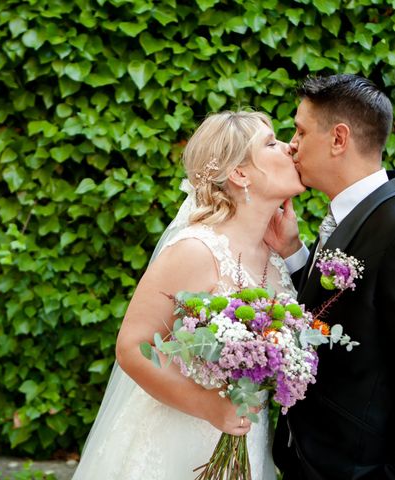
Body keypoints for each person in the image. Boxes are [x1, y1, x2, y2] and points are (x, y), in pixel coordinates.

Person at [73, 110, 305, 479]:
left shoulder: (278, 256)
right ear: (240, 173)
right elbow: (132, 346)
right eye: (270, 143)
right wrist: (211, 407)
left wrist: (292, 248)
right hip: (176, 446)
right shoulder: (196, 250)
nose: (289, 147)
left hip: (248, 444)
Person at [268, 75, 395, 479]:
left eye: (301, 131)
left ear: (339, 139)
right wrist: (293, 252)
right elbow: (343, 313)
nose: (292, 144)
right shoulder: (346, 215)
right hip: (307, 460)